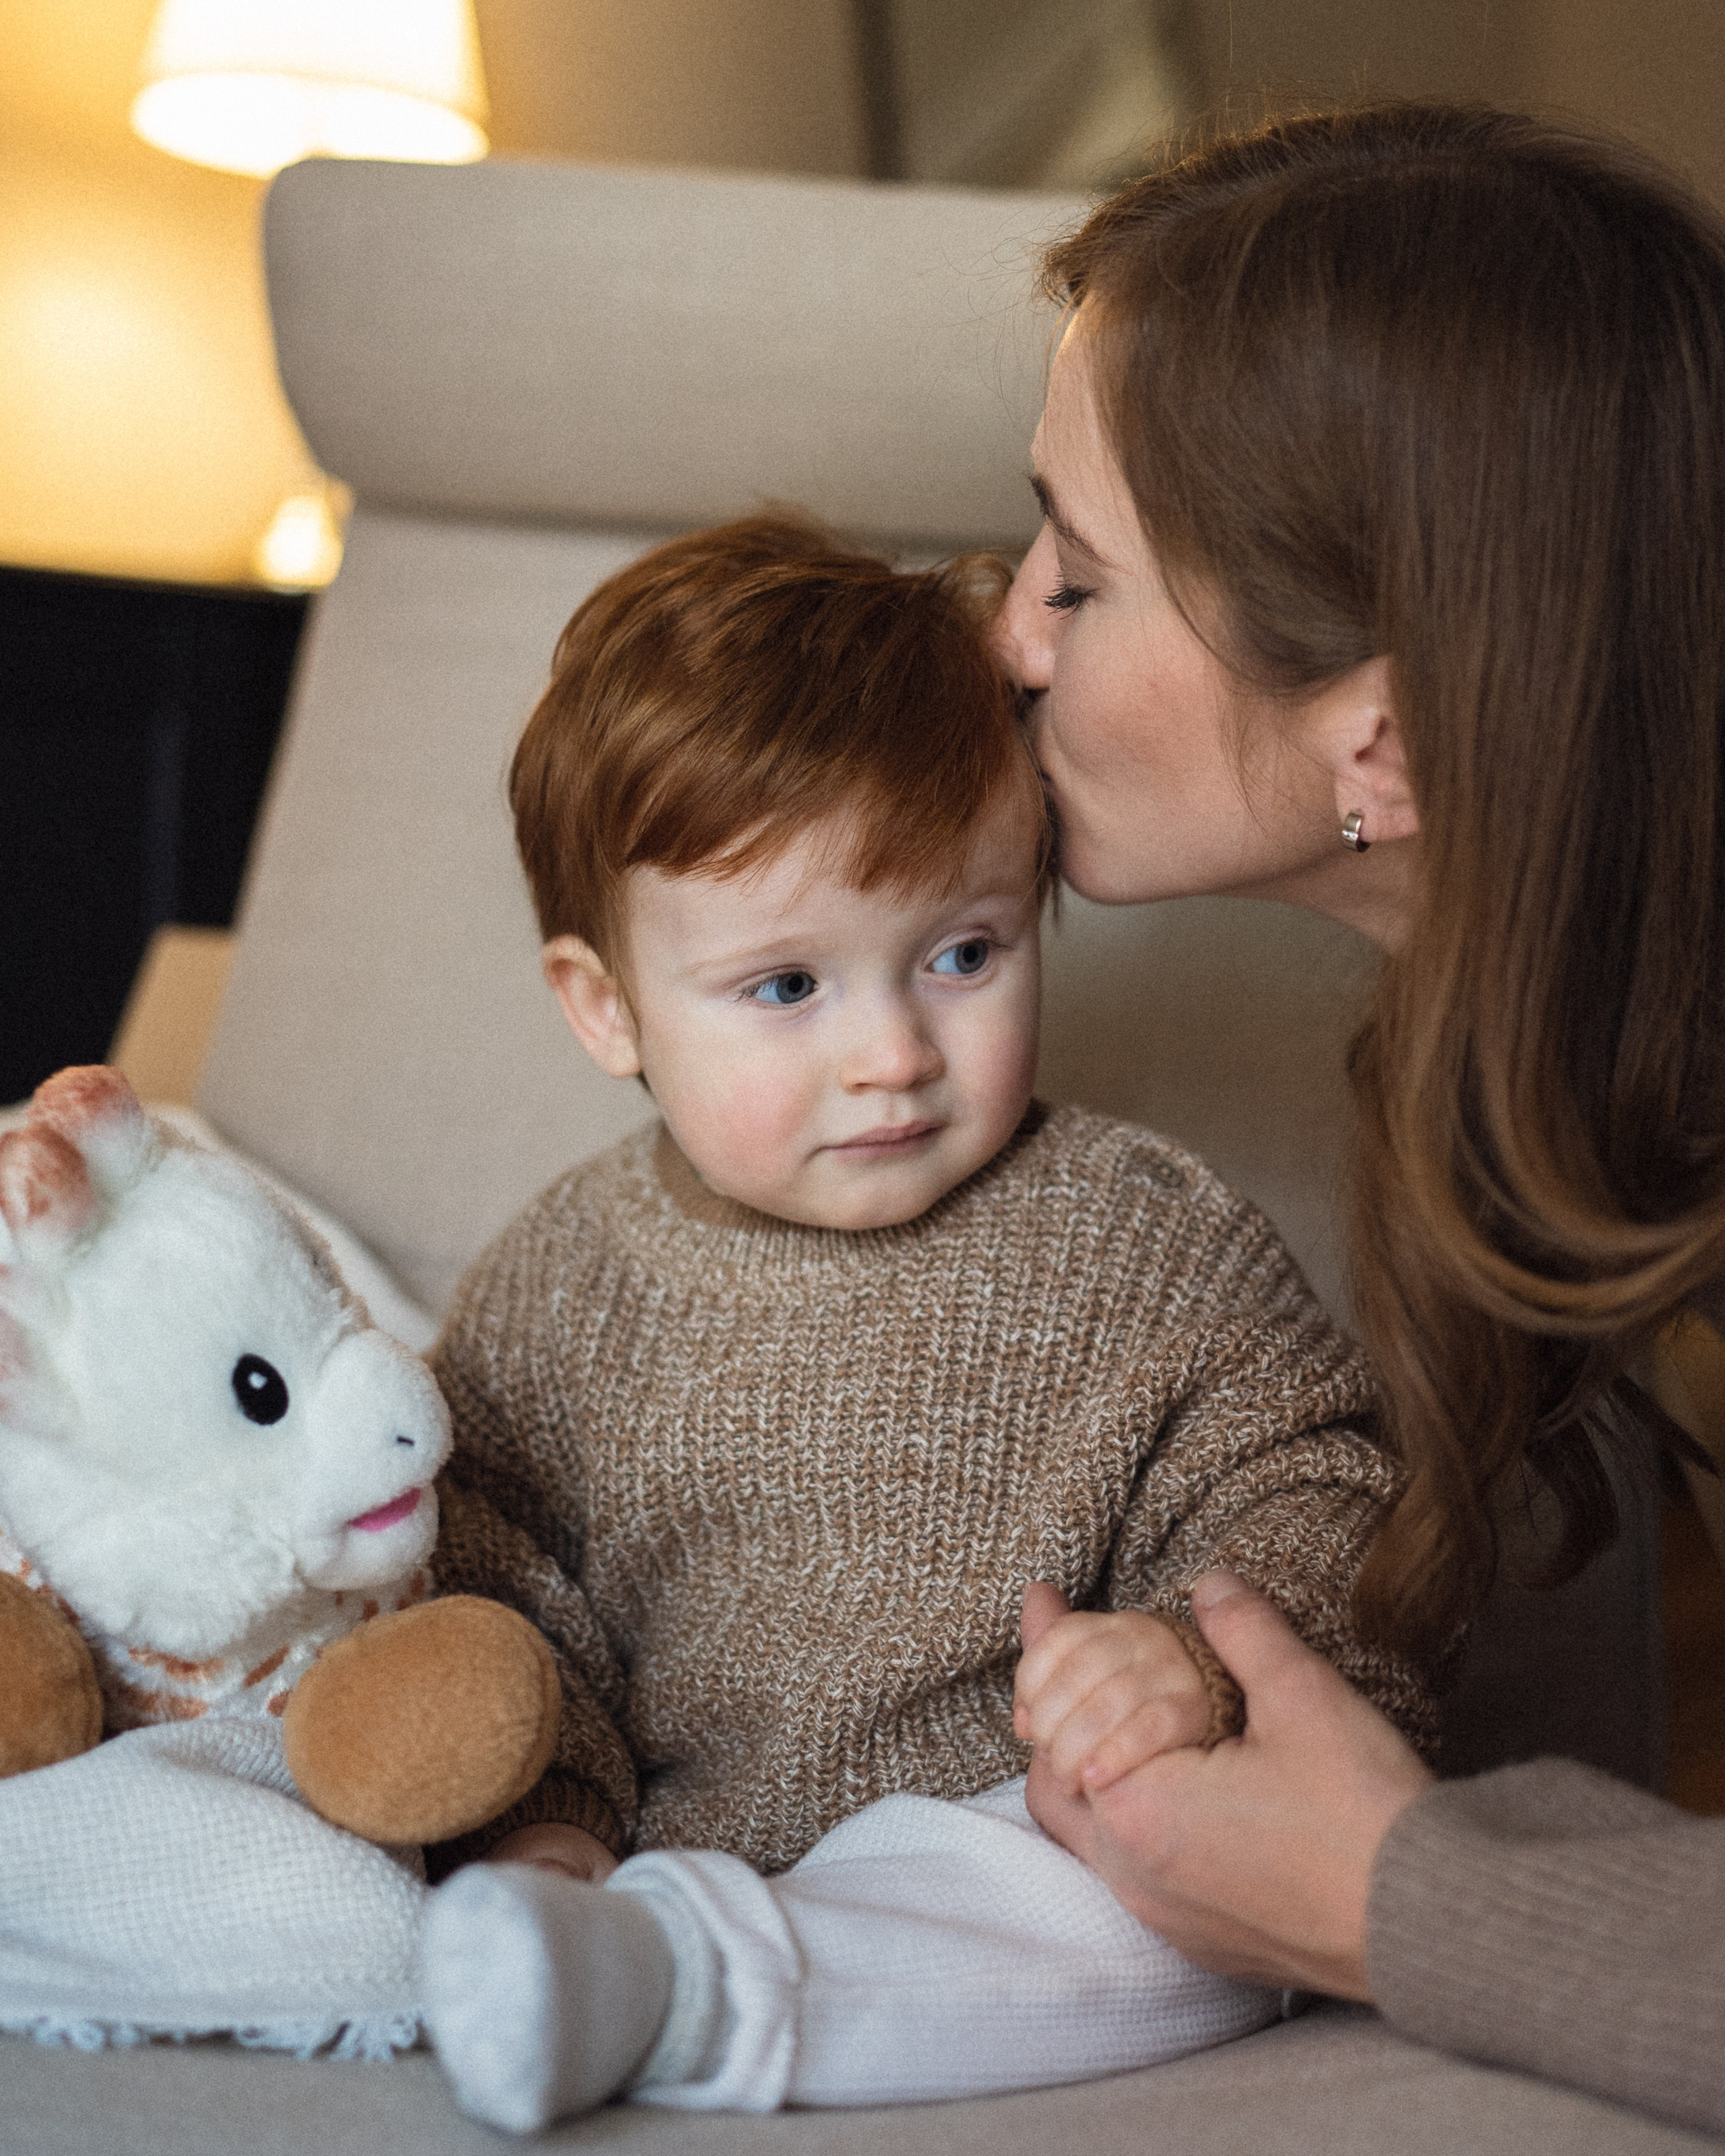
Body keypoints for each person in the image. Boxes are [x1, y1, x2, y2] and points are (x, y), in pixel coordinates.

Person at [414, 513, 1435, 2130]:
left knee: (1152, 1886)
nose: (890, 1053)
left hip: (1033, 1860)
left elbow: (1319, 1491)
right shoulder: (554, 1292)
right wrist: (546, 1826)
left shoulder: (1144, 1241)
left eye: (962, 953)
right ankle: (608, 1955)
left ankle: (686, 1986)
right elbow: (498, 1587)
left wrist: (1185, 1664)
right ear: (607, 1008)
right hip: (677, 1855)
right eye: (787, 988)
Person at [997, 104, 1725, 2136]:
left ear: (1379, 738)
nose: (1008, 634)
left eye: (1081, 578)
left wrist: (1383, 1897)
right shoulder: (1549, 1073)